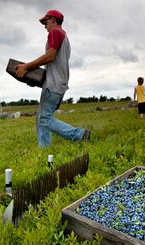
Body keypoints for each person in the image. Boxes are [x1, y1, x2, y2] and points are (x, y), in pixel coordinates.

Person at [15, 9, 90, 147]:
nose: (44, 25)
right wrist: (34, 79)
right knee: (41, 118)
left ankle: (79, 135)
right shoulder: (63, 36)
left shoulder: (55, 32)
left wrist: (26, 67)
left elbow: (50, 57)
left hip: (54, 85)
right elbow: (54, 64)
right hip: (56, 83)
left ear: (53, 20)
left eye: (45, 21)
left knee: (44, 119)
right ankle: (44, 148)